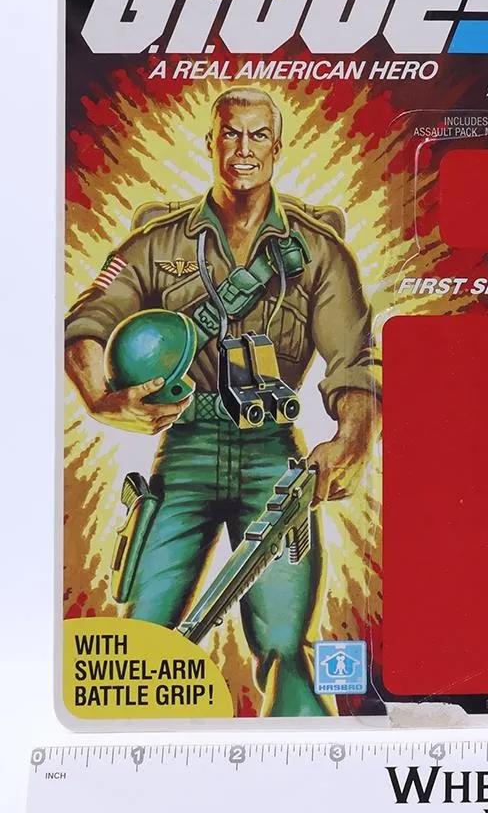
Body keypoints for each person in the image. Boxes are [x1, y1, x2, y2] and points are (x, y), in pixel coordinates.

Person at [64, 87, 381, 716]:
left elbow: (355, 360)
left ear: (277, 146)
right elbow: (89, 319)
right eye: (230, 134)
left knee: (286, 648)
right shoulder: (158, 244)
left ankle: (311, 760)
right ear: (210, 143)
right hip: (186, 449)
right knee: (140, 639)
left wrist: (351, 438)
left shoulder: (318, 251)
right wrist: (100, 394)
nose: (243, 149)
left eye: (258, 135)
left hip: (274, 458)